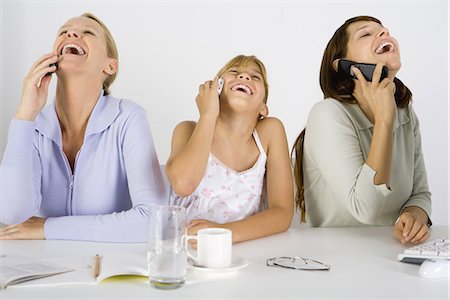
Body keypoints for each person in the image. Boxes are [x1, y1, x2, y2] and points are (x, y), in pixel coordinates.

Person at [0, 13, 167, 242]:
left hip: (109, 268)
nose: (71, 33)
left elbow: (152, 220)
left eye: (88, 32)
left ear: (110, 66)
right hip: (48, 268)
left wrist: (47, 228)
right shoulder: (34, 126)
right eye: (64, 31)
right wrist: (24, 115)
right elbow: (13, 214)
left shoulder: (127, 118)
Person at [292, 16, 431, 244]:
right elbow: (365, 208)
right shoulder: (327, 114)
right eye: (366, 34)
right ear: (342, 65)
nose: (384, 33)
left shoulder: (406, 114)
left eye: (384, 31)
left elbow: (420, 193)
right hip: (335, 258)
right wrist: (384, 121)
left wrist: (413, 216)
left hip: (391, 251)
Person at [166, 55, 293, 243]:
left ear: (263, 109)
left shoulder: (270, 132)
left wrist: (222, 233)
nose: (244, 76)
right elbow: (184, 184)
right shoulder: (187, 130)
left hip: (244, 251)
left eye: (255, 77)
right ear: (214, 90)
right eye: (234, 72)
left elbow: (283, 213)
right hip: (187, 250)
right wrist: (208, 114)